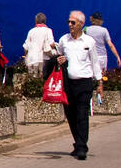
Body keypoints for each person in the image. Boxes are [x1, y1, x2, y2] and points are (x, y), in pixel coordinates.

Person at [55, 10, 103, 160]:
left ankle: (82, 147)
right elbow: (58, 56)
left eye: (73, 22)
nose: (70, 25)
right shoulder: (64, 40)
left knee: (82, 114)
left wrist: (99, 82)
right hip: (68, 83)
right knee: (71, 115)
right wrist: (59, 60)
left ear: (81, 24)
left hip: (84, 82)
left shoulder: (89, 42)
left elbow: (95, 62)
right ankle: (78, 142)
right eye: (68, 22)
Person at [22, 12, 57, 80]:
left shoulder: (31, 31)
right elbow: (51, 44)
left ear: (36, 21)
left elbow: (26, 47)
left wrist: (26, 57)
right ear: (45, 21)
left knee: (33, 80)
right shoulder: (48, 31)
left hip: (32, 59)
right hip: (44, 58)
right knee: (44, 79)